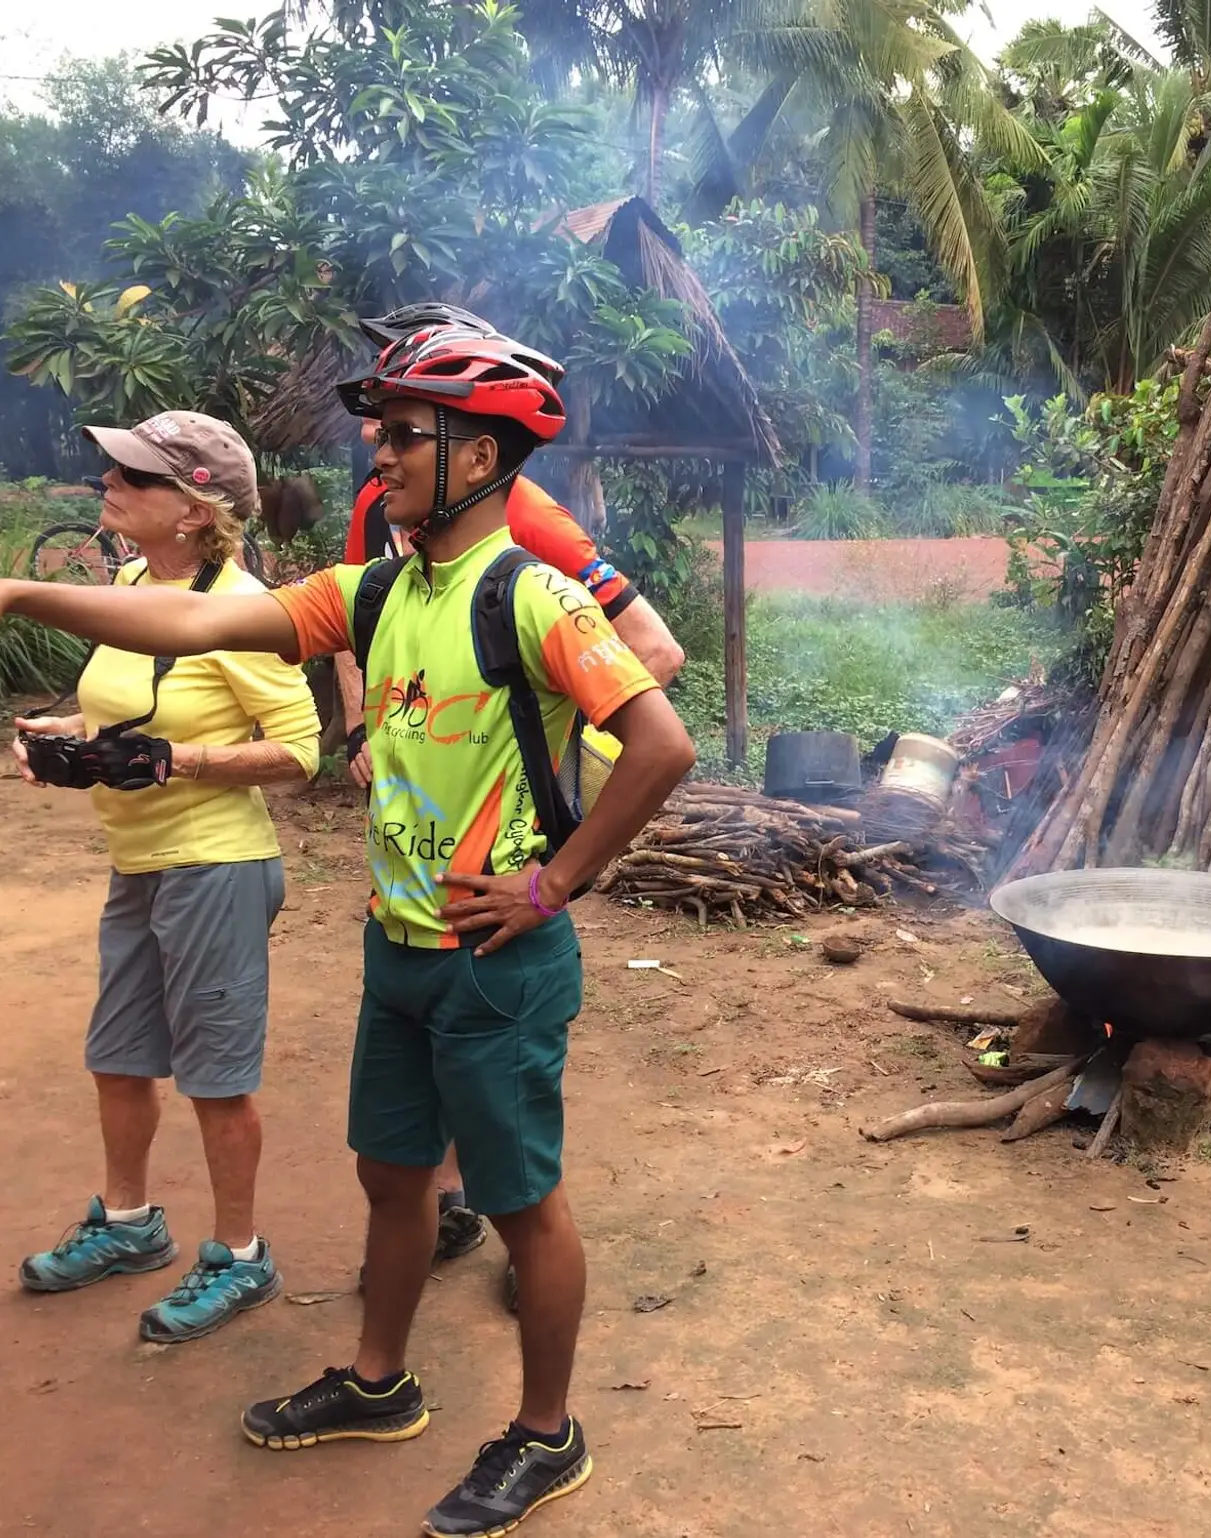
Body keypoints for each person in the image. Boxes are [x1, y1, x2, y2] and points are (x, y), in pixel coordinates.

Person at [0, 328, 698, 1536]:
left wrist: (549, 884)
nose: (380, 449)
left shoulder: (532, 590)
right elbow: (196, 629)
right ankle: (378, 1383)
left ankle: (544, 1434)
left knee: (522, 1205)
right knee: (389, 1176)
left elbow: (663, 743)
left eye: (403, 431)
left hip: (496, 960)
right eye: (384, 428)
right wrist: (16, 594)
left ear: (479, 451)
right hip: (396, 945)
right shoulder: (378, 587)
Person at [334, 304, 685, 1301]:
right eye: (381, 408)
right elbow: (356, 625)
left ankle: (484, 1208)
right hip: (408, 888)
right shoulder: (384, 509)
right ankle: (445, 1195)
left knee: (503, 1111)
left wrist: (548, 817)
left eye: (404, 418)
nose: (380, 436)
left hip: (504, 871)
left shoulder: (522, 519)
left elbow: (654, 652)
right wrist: (371, 731)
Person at [10, 411, 321, 1343]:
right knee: (119, 1057)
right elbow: (126, 714)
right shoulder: (136, 584)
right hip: (139, 861)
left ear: (193, 508)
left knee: (215, 1078)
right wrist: (71, 743)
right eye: (112, 466)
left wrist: (173, 762)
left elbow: (301, 750)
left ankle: (239, 1254)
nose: (108, 481)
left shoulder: (239, 610)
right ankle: (130, 1223)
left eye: (134, 475)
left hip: (216, 866)